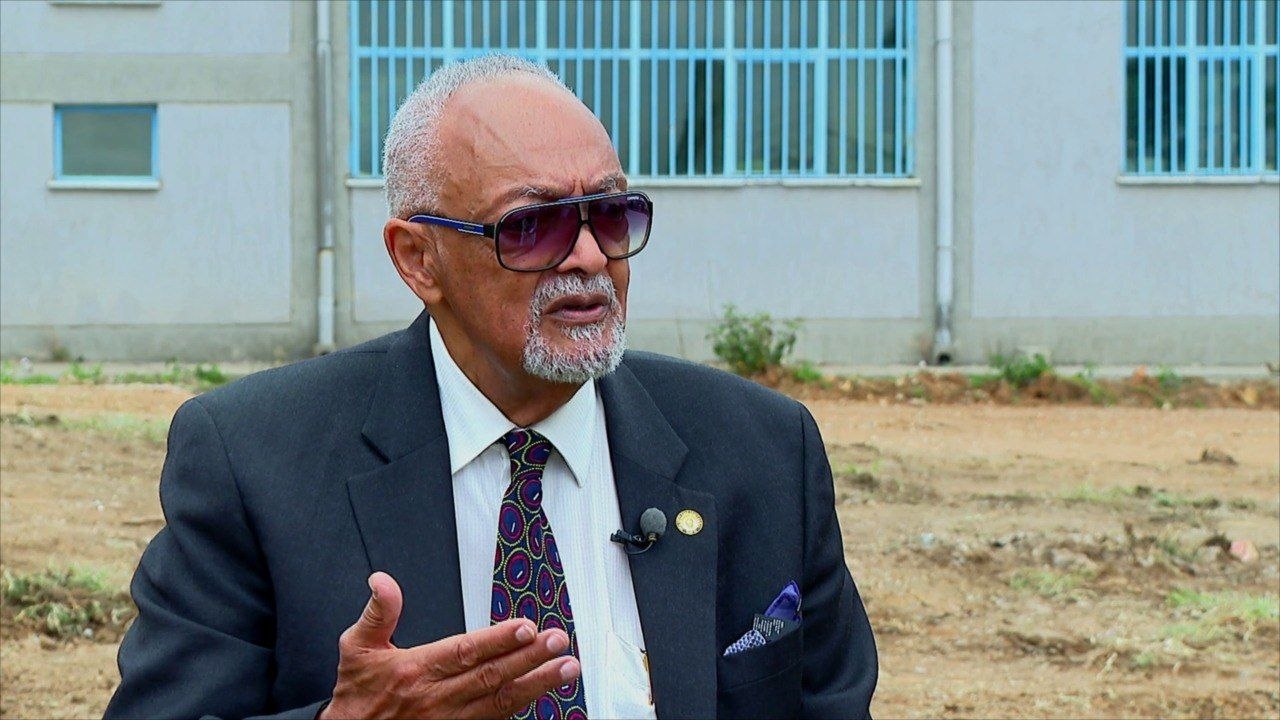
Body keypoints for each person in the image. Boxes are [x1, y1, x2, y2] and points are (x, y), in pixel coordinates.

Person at [105, 54, 877, 720]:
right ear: (419, 260)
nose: (588, 257)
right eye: (532, 227)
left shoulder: (764, 451)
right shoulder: (254, 460)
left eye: (610, 215)